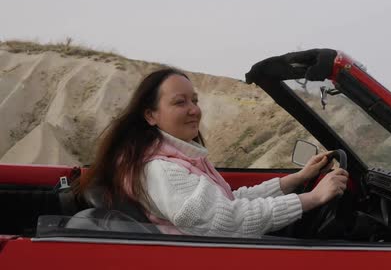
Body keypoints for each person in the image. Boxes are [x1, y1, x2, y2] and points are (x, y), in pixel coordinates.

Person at [78, 67, 348, 237]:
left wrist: (297, 179)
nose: (194, 109)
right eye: (180, 102)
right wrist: (312, 198)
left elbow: (226, 202)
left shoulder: (176, 157)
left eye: (194, 100)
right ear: (150, 115)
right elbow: (227, 221)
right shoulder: (162, 170)